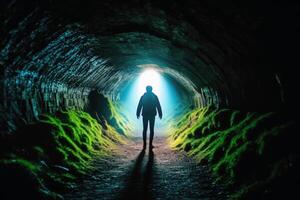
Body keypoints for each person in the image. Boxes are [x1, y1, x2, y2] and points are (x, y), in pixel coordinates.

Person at [136, 85, 162, 150]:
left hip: (145, 114)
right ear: (151, 89)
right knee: (151, 129)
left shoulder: (143, 96)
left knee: (145, 129)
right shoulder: (155, 97)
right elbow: (158, 105)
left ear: (146, 89)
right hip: (152, 115)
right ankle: (150, 144)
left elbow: (139, 105)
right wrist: (160, 113)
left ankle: (144, 144)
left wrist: (138, 113)